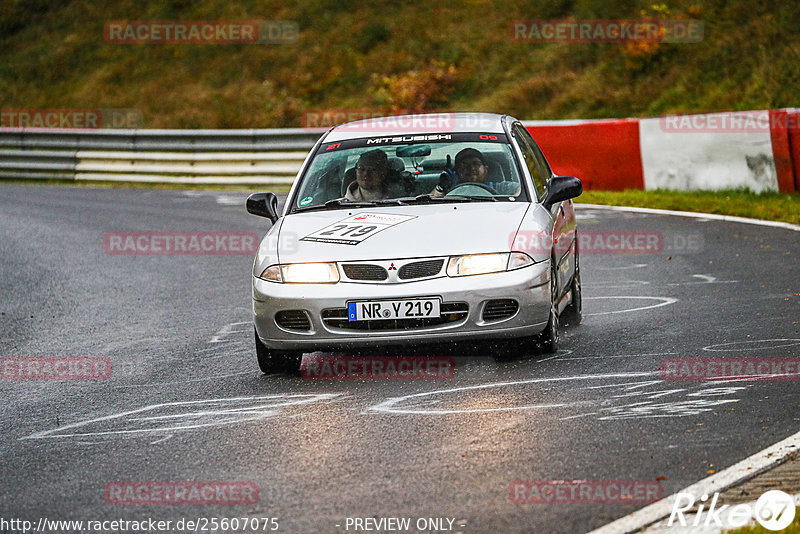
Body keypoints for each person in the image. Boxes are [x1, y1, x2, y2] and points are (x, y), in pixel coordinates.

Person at [432, 147, 519, 196]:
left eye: (476, 164)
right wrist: (441, 187)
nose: (471, 168)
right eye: (465, 165)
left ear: (486, 169)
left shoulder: (501, 188)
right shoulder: (448, 191)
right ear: (458, 171)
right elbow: (430, 204)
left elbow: (521, 192)